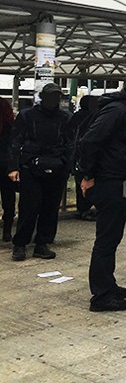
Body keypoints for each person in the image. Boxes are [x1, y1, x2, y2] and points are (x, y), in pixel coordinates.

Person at [78, 73, 126, 312]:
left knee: (112, 237)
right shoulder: (119, 110)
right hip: (108, 180)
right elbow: (90, 142)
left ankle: (108, 285)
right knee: (106, 239)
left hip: (119, 179)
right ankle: (101, 296)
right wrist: (88, 175)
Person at [8, 83, 72, 261]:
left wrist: (67, 166)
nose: (54, 100)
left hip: (57, 166)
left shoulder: (65, 117)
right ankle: (20, 244)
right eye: (50, 96)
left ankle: (42, 243)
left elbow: (70, 143)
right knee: (29, 207)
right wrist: (13, 166)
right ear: (42, 97)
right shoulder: (27, 115)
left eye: (56, 97)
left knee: (50, 208)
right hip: (31, 167)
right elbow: (15, 141)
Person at [68, 95, 99, 221]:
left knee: (80, 183)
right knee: (89, 182)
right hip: (85, 155)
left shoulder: (76, 116)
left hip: (77, 155)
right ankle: (86, 209)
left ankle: (83, 209)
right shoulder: (96, 117)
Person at [1, 96, 16, 242]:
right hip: (6, 164)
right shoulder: (9, 125)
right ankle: (7, 230)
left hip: (5, 162)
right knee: (8, 198)